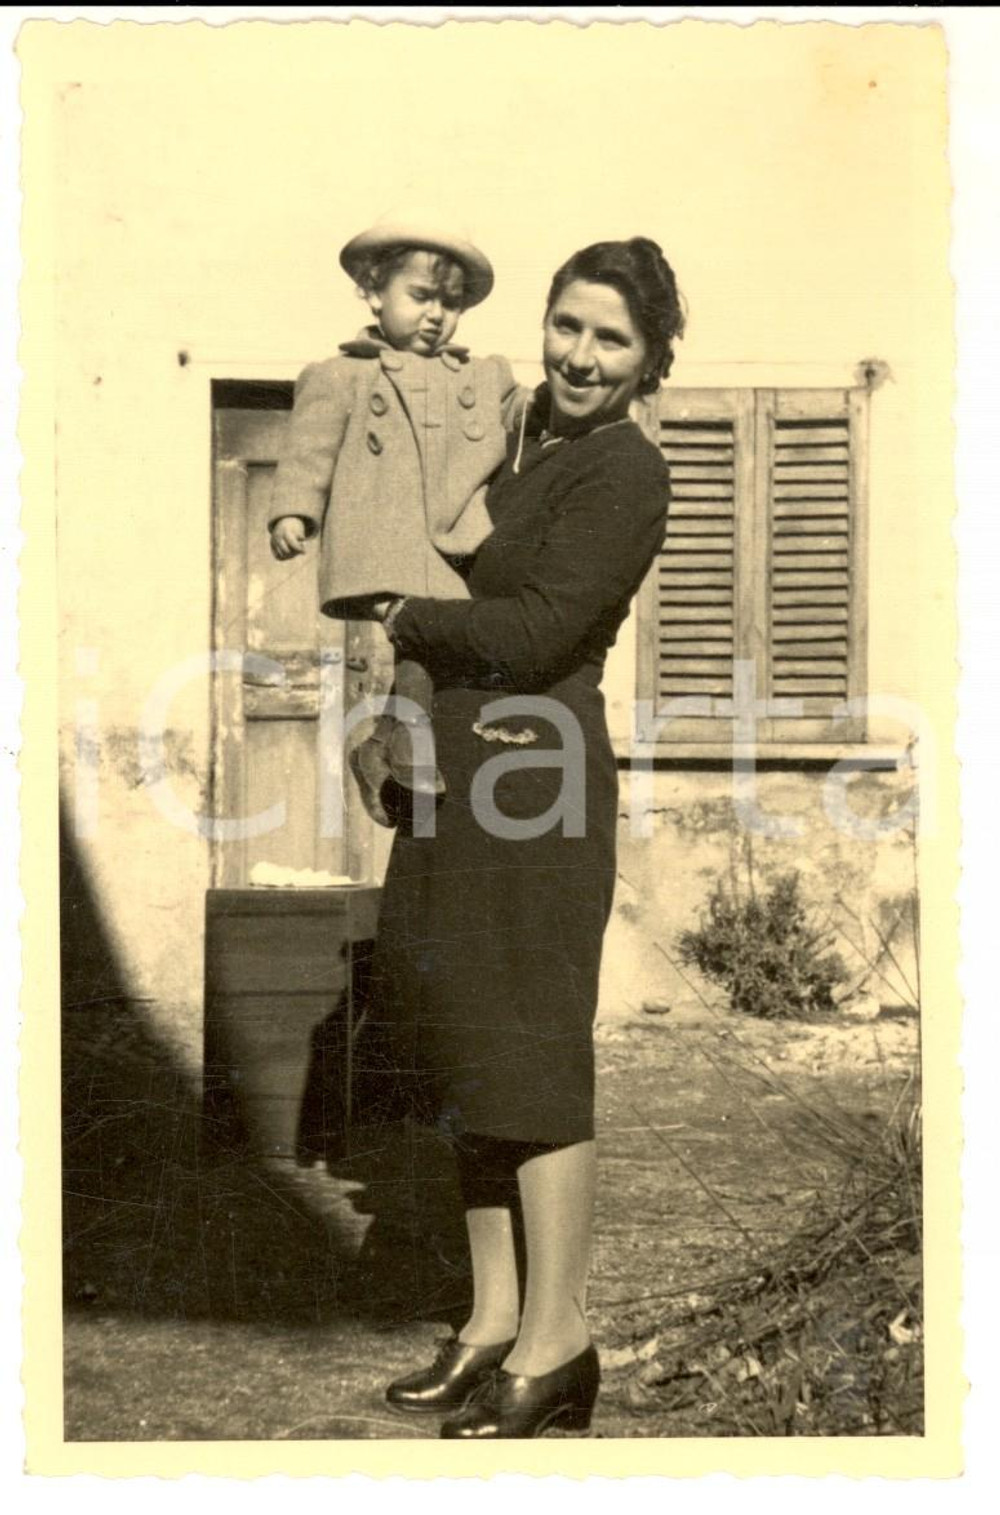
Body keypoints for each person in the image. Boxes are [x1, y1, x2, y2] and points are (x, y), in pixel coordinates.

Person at [362, 237, 685, 1438]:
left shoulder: (623, 471)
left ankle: (560, 1342)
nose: (580, 355)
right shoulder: (516, 441)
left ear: (648, 360)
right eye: (567, 326)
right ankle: (494, 1319)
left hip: (537, 780)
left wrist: (406, 614)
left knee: (532, 1046)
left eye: (610, 338)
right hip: (461, 772)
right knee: (466, 1044)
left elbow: (542, 631)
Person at [268, 218, 521, 824]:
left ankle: (384, 746)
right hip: (379, 541)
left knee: (429, 644)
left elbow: (511, 421)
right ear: (374, 293)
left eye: (450, 303)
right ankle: (405, 751)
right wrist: (293, 509)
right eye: (421, 296)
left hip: (444, 544)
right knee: (418, 637)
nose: (436, 315)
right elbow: (311, 446)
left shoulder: (474, 377)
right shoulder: (344, 375)